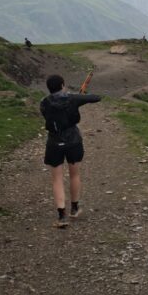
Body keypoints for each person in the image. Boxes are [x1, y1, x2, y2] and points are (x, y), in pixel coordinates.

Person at [39, 74, 101, 228]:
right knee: (75, 174)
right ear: (62, 85)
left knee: (57, 179)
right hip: (73, 141)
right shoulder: (72, 99)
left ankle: (61, 216)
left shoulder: (44, 103)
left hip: (54, 142)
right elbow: (96, 98)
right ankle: (74, 208)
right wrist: (80, 98)